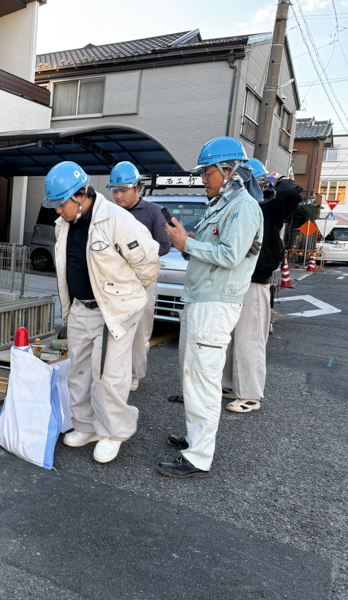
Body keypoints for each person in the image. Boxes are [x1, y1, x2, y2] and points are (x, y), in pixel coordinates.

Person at [158, 137, 263, 478]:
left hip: (215, 305)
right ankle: (194, 440)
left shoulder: (244, 207)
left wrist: (187, 243)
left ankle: (199, 457)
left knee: (203, 381)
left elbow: (230, 256)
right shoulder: (222, 205)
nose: (203, 179)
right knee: (193, 376)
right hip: (201, 300)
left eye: (207, 173)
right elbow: (210, 250)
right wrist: (185, 242)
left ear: (228, 170)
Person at [45, 161, 160, 463]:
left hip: (112, 311)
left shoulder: (116, 220)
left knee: (108, 376)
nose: (58, 210)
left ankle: (113, 432)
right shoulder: (63, 224)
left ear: (81, 195)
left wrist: (125, 296)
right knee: (79, 372)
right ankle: (86, 426)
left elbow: (148, 263)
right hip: (80, 308)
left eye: (61, 203)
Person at [221, 159, 304, 413]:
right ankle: (229, 384)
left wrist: (276, 180)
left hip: (256, 281)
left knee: (250, 339)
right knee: (230, 338)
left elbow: (292, 193)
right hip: (234, 280)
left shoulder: (269, 207)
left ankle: (250, 394)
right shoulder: (236, 205)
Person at [107, 161, 171, 392]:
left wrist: (135, 253)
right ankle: (115, 371)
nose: (118, 196)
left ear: (137, 188)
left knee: (140, 330)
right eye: (115, 190)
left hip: (143, 282)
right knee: (115, 328)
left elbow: (164, 245)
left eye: (123, 190)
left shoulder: (153, 212)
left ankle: (134, 374)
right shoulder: (109, 213)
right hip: (115, 281)